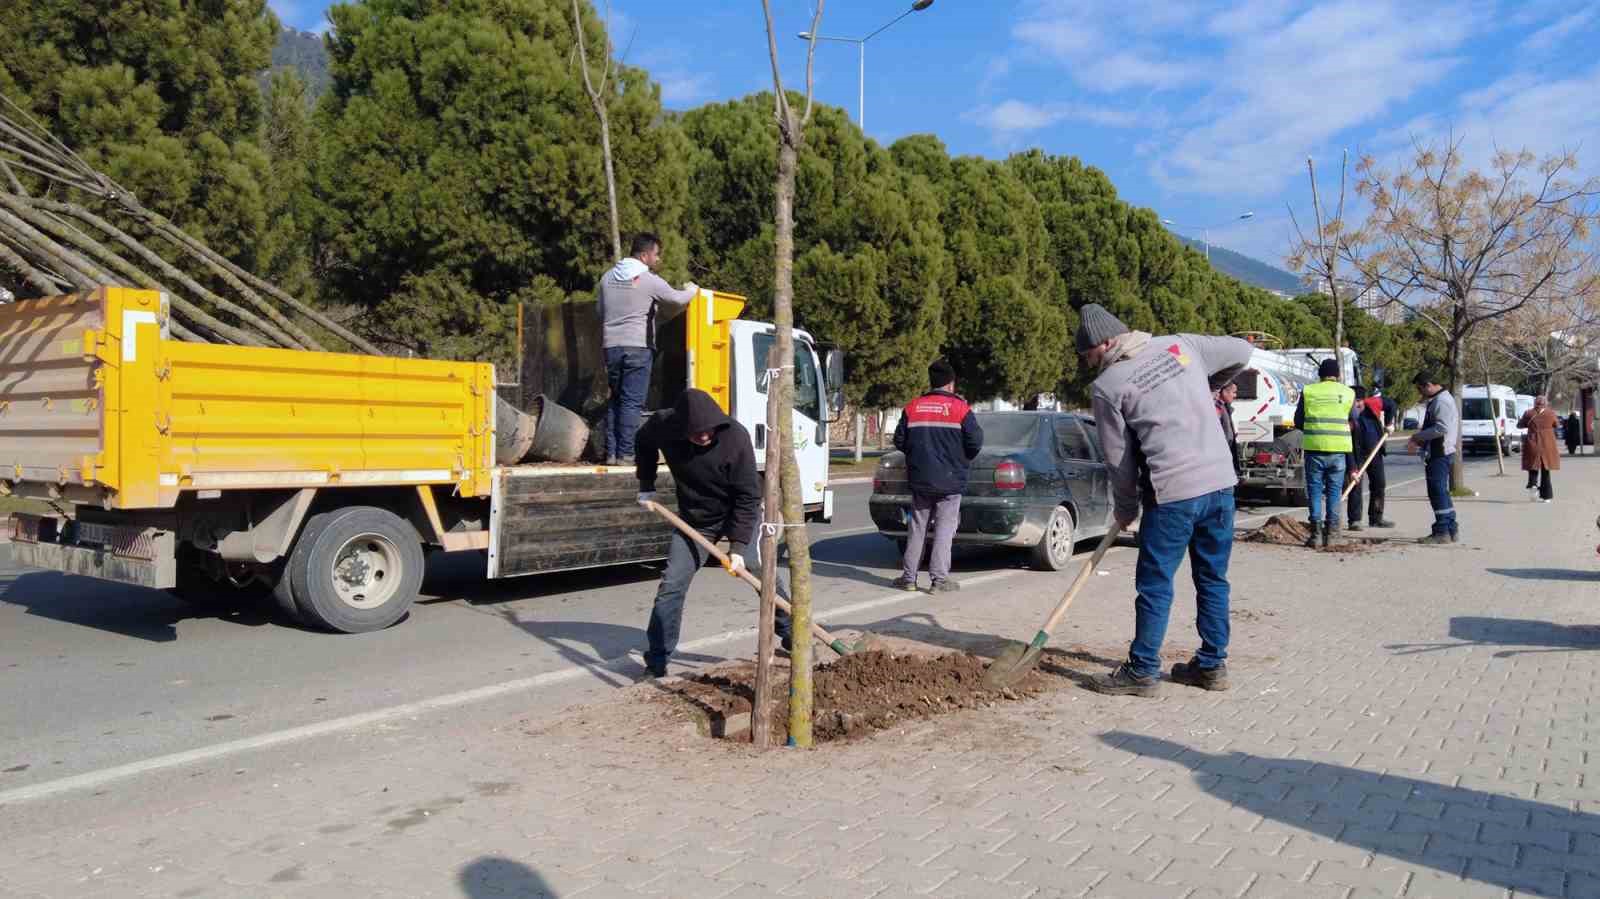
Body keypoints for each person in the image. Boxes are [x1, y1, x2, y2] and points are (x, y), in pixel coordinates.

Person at [1076, 304, 1254, 697]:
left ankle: (1142, 671)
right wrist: (1209, 385)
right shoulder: (1181, 346)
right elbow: (1243, 351)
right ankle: (1212, 666)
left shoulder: (1108, 386)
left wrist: (1124, 508)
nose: (1088, 363)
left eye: (1087, 354)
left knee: (1155, 584)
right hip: (1221, 484)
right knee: (1212, 578)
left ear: (1105, 343)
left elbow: (1118, 459)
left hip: (1172, 492)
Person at [634, 388, 789, 677]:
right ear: (681, 427)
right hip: (696, 520)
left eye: (708, 431)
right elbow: (643, 441)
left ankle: (791, 632)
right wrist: (646, 484)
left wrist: (739, 548)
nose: (704, 436)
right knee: (671, 584)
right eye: (697, 433)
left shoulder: (735, 438)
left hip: (737, 512)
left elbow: (747, 498)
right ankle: (657, 658)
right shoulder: (664, 425)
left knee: (757, 569)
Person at [598, 232, 698, 465]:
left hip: (611, 346)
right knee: (632, 402)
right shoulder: (648, 279)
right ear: (644, 255)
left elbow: (600, 312)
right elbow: (676, 299)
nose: (658, 259)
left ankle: (611, 454)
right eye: (656, 255)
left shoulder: (606, 278)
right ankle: (626, 454)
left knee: (615, 399)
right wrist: (692, 290)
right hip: (638, 347)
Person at [892, 359, 983, 593]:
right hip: (951, 481)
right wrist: (960, 457)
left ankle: (909, 579)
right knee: (944, 529)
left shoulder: (913, 407)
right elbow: (975, 442)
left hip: (920, 479)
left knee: (917, 527)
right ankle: (939, 581)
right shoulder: (961, 409)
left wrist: (919, 457)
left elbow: (899, 441)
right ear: (951, 384)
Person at [1294, 359, 1356, 548]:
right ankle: (1333, 534)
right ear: (1337, 374)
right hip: (1338, 450)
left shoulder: (1309, 391)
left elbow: (1298, 420)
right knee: (1334, 492)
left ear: (1320, 375)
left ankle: (1316, 535)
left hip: (1314, 449)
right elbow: (1354, 420)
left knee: (1314, 490)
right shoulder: (1348, 392)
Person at [1406, 373, 1460, 544]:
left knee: (1437, 491)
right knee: (1441, 491)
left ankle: (1442, 530)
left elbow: (1442, 427)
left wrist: (1418, 437)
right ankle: (1450, 527)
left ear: (1429, 385)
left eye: (1420, 389)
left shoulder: (1441, 401)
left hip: (1440, 452)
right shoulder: (1440, 399)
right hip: (1440, 451)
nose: (1420, 393)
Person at [1519, 395, 1560, 503]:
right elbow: (1557, 424)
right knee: (1546, 470)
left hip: (1532, 443)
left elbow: (1520, 425)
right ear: (1545, 403)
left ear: (1535, 403)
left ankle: (1533, 485)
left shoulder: (1528, 413)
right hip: (1547, 443)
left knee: (1533, 466)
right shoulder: (1551, 413)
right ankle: (1546, 496)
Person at [1214, 379, 1240, 474]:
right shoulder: (1218, 408)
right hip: (1220, 456)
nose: (1235, 395)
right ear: (1224, 392)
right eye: (1233, 392)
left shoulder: (1224, 407)